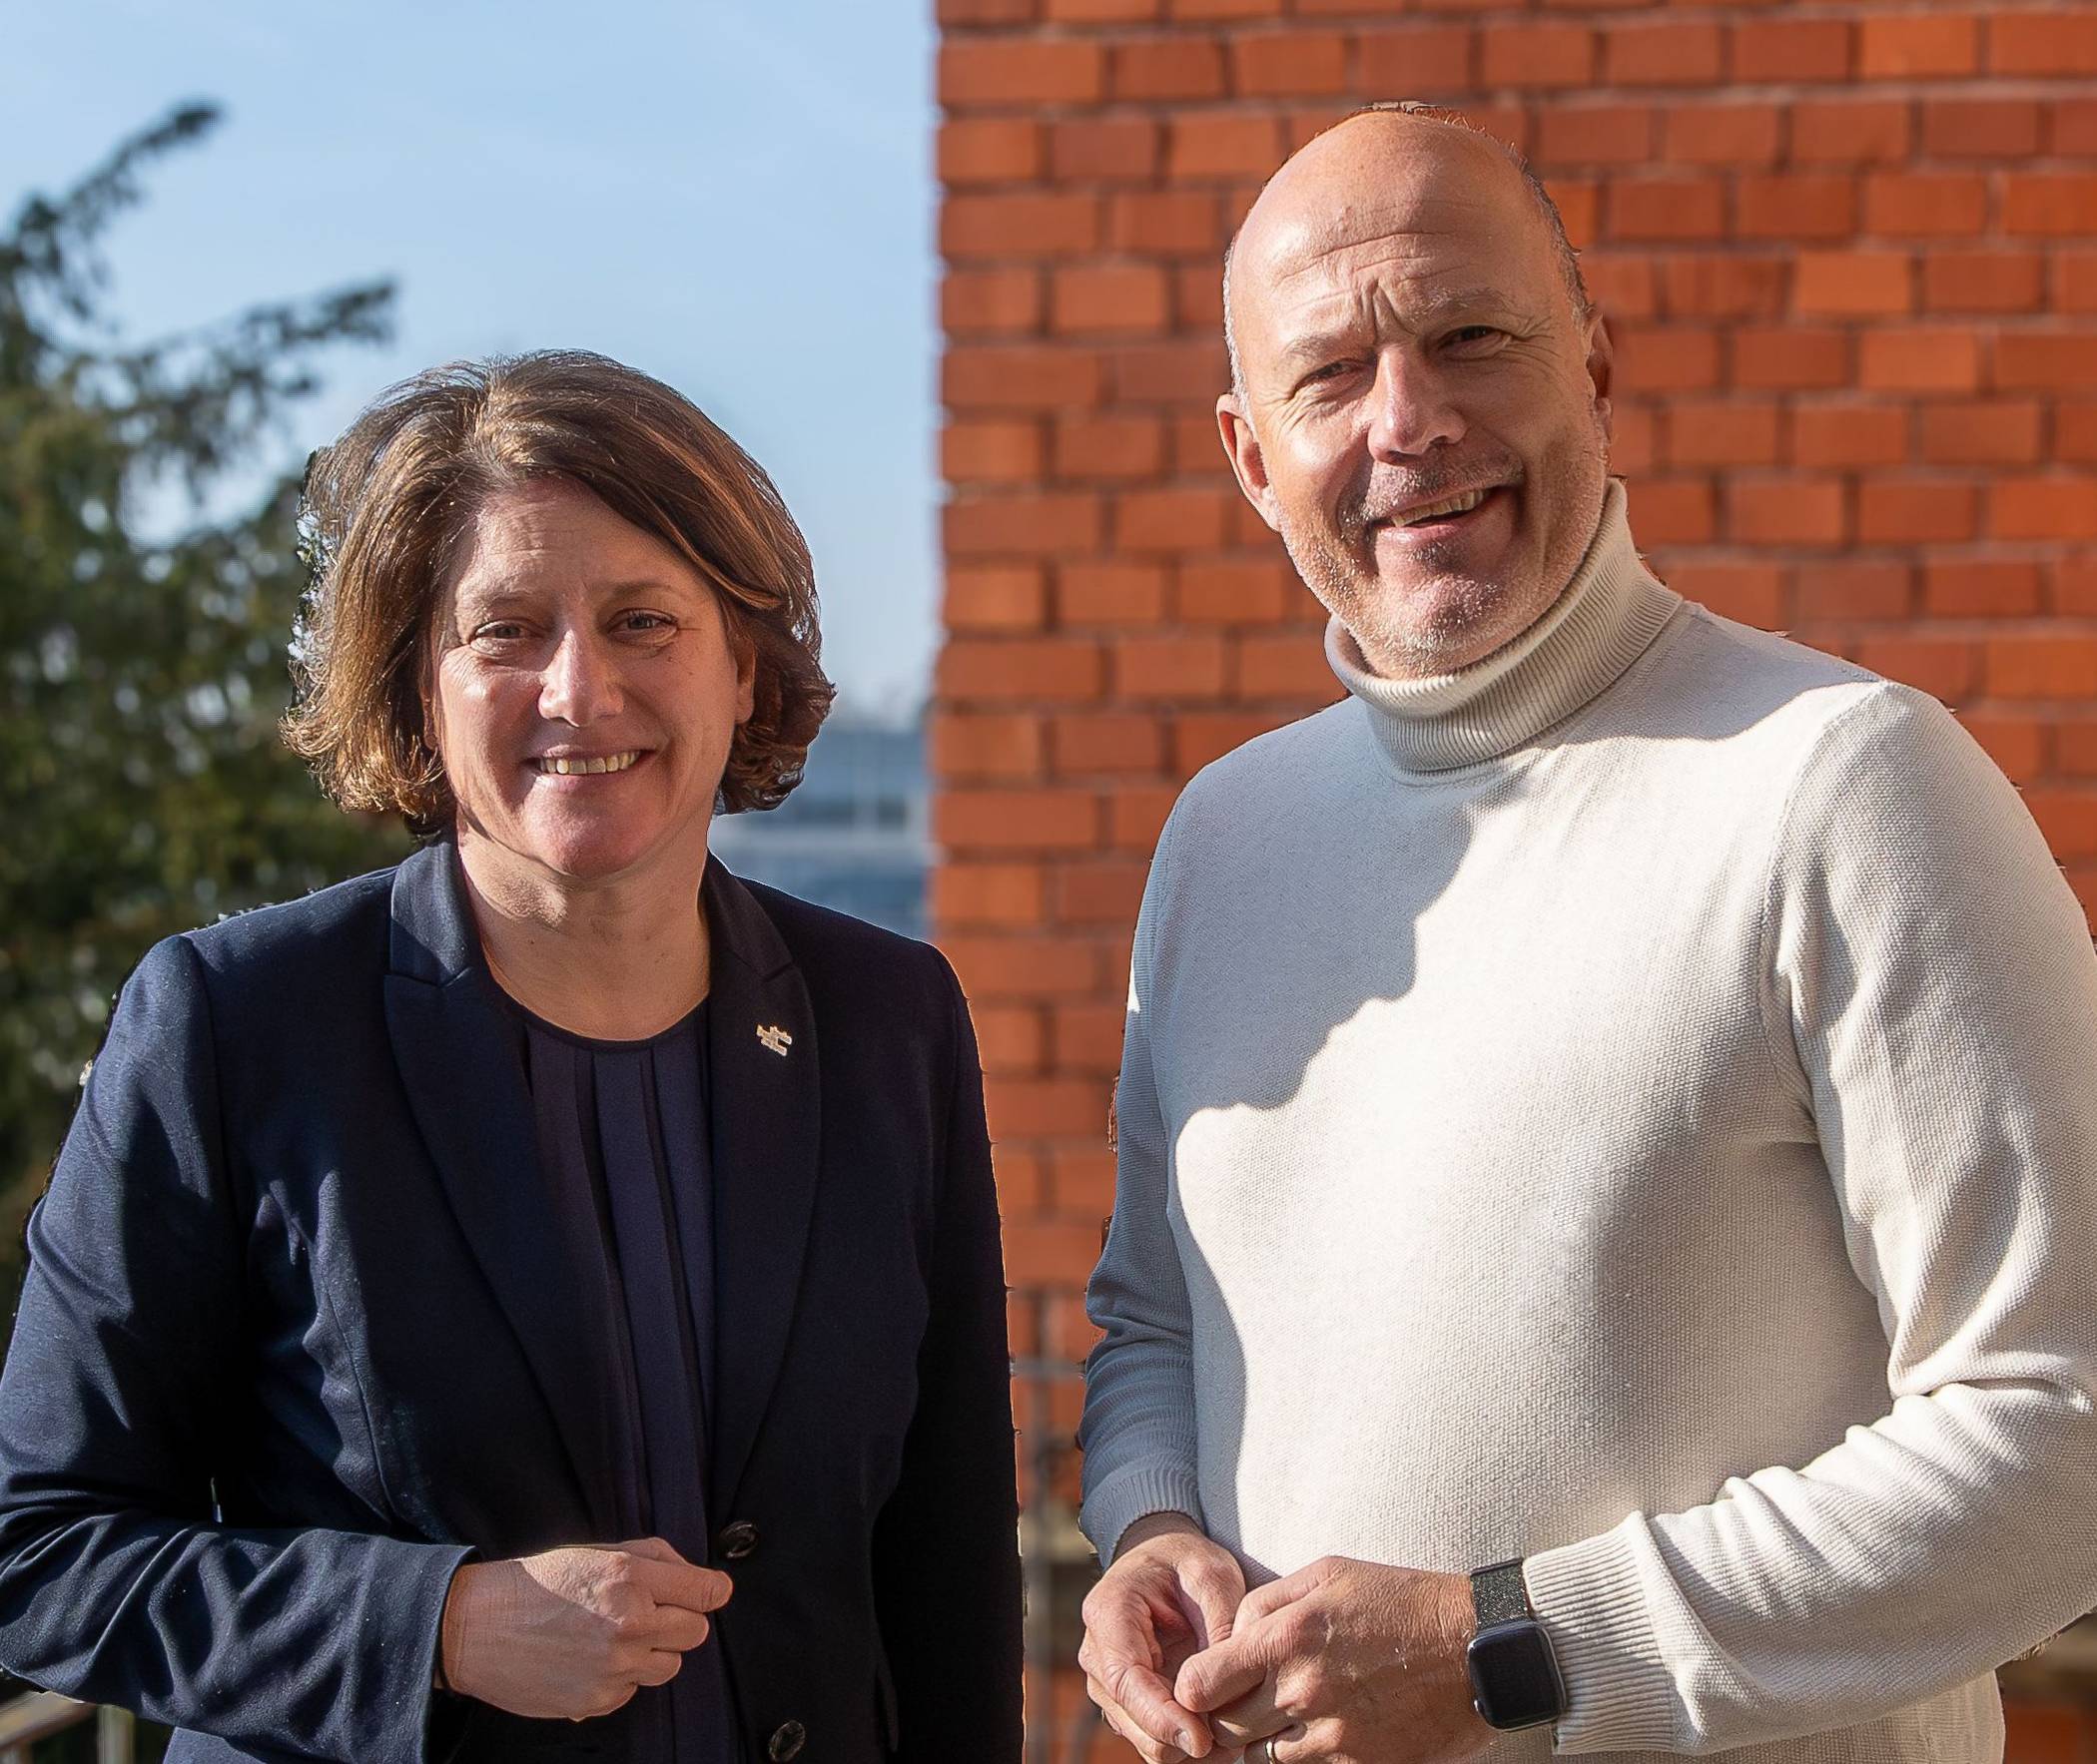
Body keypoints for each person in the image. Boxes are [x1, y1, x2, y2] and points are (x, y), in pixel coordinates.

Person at [1075, 102, 2097, 1764]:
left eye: (1471, 336)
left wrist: (1509, 1649)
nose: (1409, 422)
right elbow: (1157, 1328)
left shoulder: (1844, 784)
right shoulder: (1222, 840)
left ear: (1594, 369)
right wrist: (1143, 1528)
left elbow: (2065, 1431)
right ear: (1253, 459)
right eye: (1330, 376)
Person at [0, 350, 1023, 1764]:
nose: (577, 688)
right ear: (420, 684)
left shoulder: (890, 1018)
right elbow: (42, 1548)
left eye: (642, 619)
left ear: (743, 662)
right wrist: (435, 1627)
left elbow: (948, 1558)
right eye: (507, 630)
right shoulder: (237, 1025)